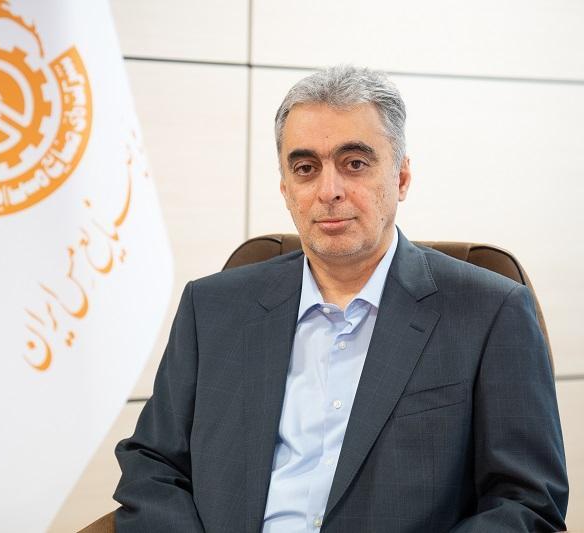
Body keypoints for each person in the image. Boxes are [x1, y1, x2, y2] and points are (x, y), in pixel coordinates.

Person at [113, 66, 568, 532]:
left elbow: (526, 504)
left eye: (354, 164)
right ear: (285, 188)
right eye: (306, 169)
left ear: (402, 177)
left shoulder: (490, 313)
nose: (328, 192)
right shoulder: (210, 308)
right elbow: (153, 464)